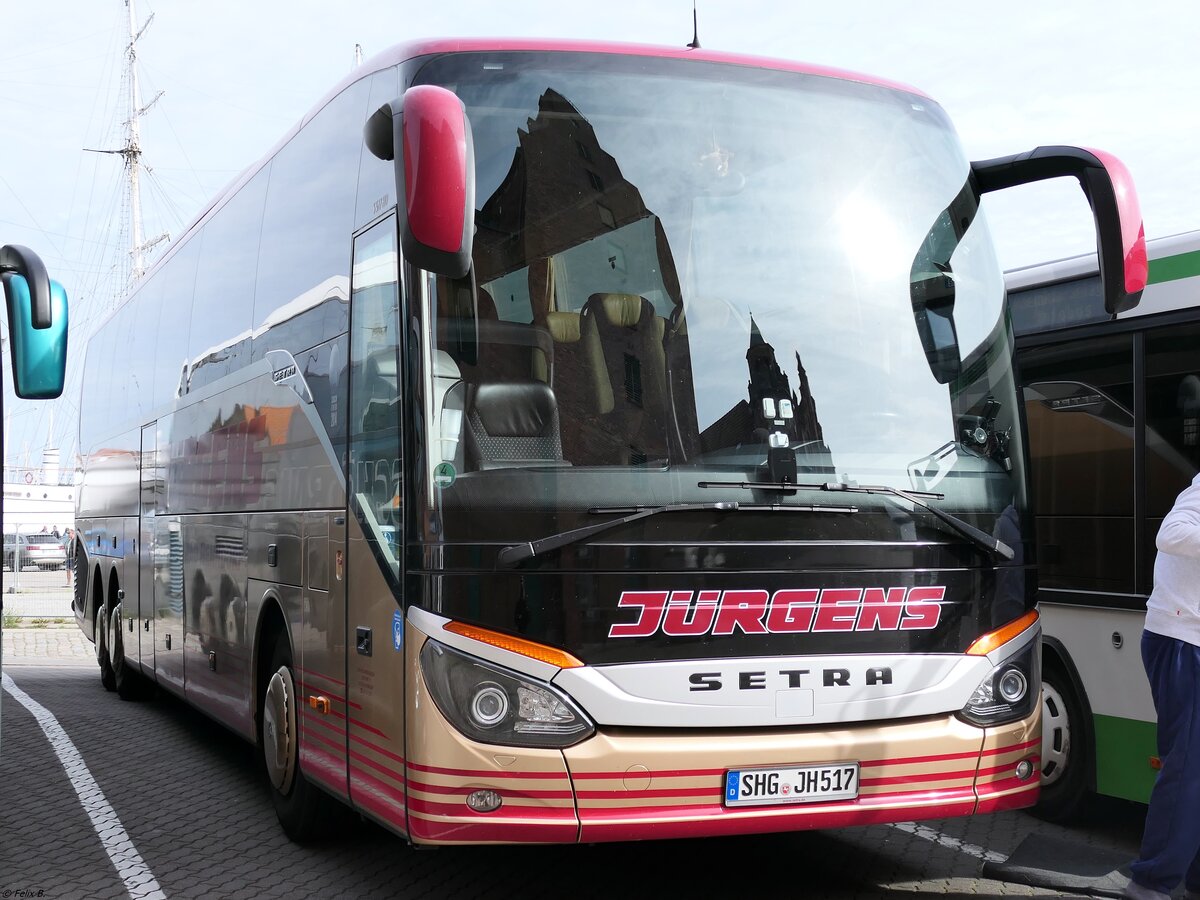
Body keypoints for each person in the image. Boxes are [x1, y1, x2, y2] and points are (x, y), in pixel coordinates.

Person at [1123, 472, 1200, 900]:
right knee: (1188, 769)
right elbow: (1170, 534)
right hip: (1183, 640)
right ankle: (1151, 883)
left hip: (1186, 639)